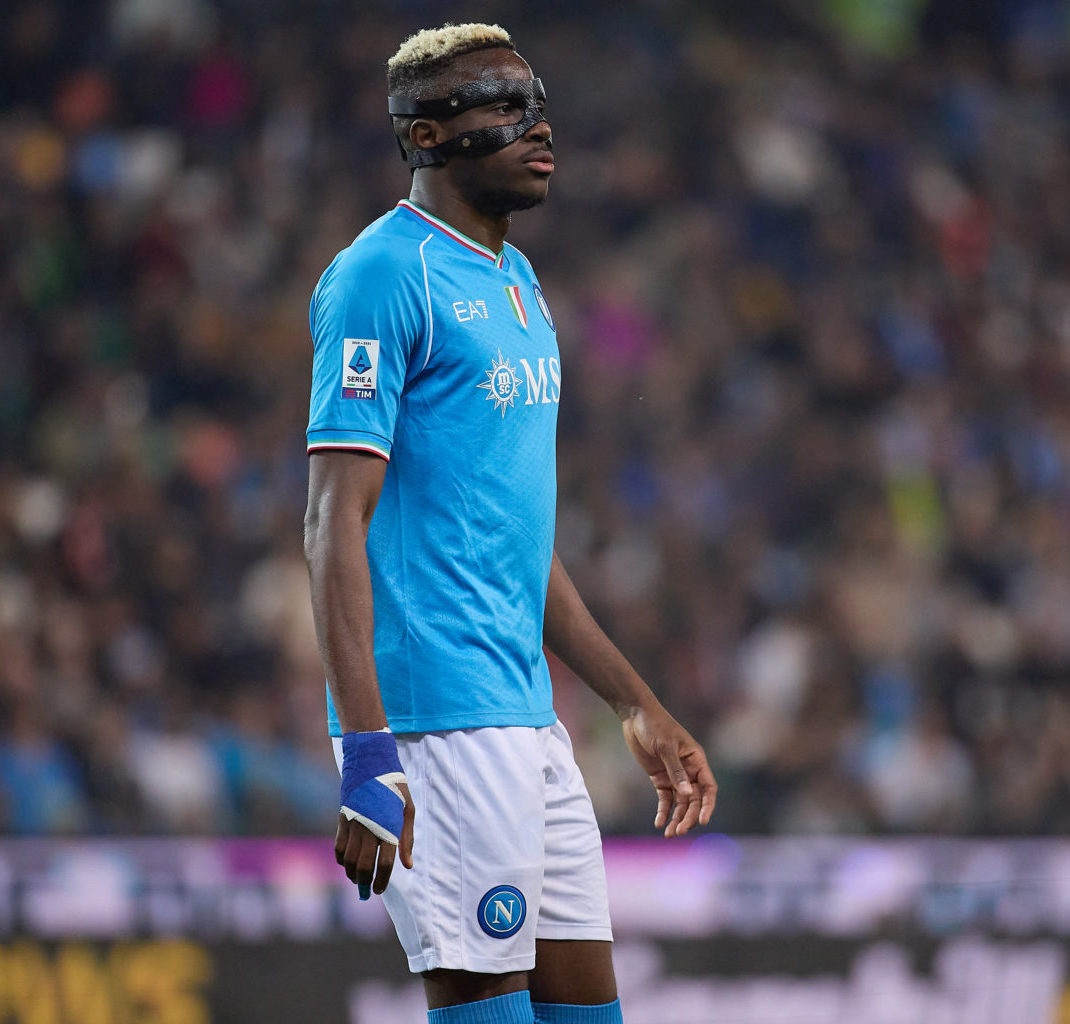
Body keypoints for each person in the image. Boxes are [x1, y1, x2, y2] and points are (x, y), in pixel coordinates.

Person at [302, 23, 718, 1024]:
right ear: (430, 136)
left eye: (535, 104)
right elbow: (331, 524)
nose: (538, 128)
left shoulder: (516, 282)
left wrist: (631, 700)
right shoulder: (381, 277)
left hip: (527, 718)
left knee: (588, 1014)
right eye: (503, 108)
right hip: (437, 720)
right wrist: (368, 751)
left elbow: (512, 542)